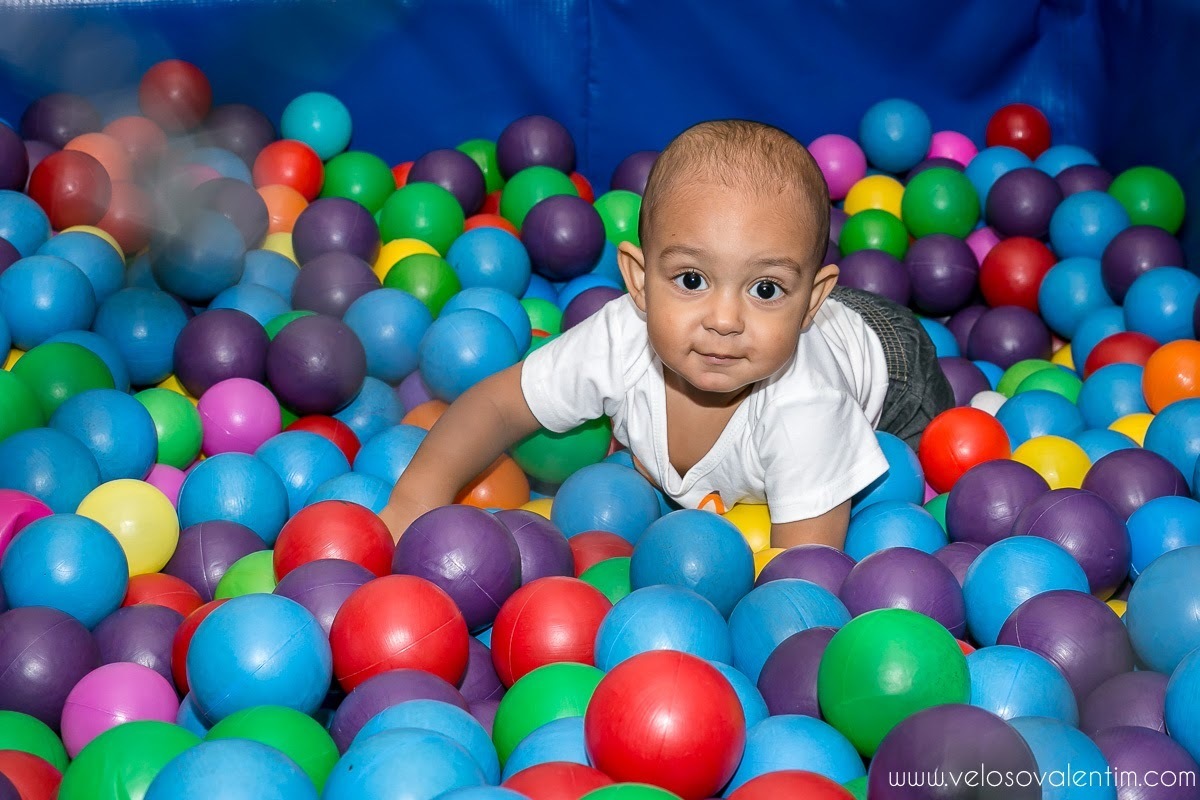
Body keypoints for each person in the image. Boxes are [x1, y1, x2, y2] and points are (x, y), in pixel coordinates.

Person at [380, 118, 953, 549]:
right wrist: (412, 501)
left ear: (811, 303)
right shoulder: (621, 336)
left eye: (765, 289)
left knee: (913, 468)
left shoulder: (806, 409)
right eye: (692, 279)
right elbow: (499, 406)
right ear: (638, 282)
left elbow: (806, 578)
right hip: (821, 322)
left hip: (893, 368)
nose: (724, 319)